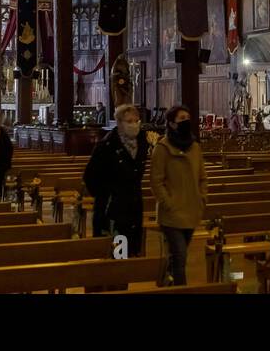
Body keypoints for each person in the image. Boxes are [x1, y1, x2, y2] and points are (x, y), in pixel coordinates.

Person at [149, 105, 207, 286]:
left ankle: (166, 278)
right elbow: (156, 181)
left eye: (187, 118)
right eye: (181, 119)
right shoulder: (162, 148)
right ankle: (181, 289)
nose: (186, 122)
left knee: (177, 255)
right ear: (172, 124)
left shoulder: (195, 147)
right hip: (172, 214)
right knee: (180, 257)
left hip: (191, 210)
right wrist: (168, 203)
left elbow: (202, 177)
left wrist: (202, 198)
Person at [83, 105, 149, 256]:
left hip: (133, 209)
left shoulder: (142, 145)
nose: (134, 124)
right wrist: (107, 195)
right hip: (112, 211)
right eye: (129, 121)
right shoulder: (107, 146)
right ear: (119, 123)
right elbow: (90, 177)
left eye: (136, 121)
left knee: (129, 256)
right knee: (116, 257)